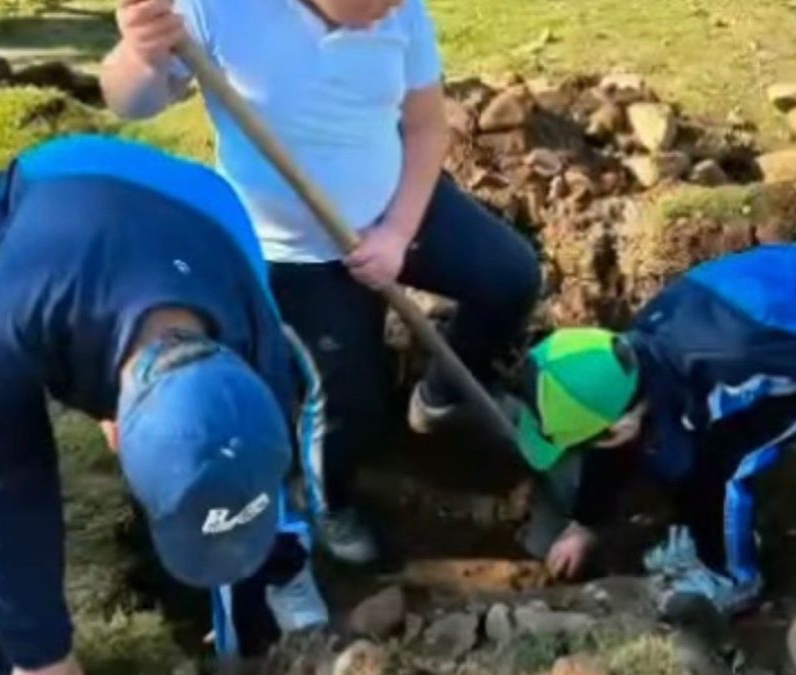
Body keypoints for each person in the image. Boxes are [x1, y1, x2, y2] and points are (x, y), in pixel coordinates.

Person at [100, 0, 544, 566]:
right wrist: (141, 53)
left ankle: (441, 399)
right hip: (298, 254)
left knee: (510, 276)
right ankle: (330, 501)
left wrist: (396, 232)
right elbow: (129, 102)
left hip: (400, 204)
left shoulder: (403, 13)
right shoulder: (219, 10)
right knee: (349, 408)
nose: (390, 13)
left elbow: (427, 126)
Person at [0, 136, 328, 675]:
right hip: (51, 194)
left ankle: (273, 590)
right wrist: (41, 655)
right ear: (118, 434)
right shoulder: (6, 327)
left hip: (196, 211)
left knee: (245, 478)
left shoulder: (260, 347)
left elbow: (253, 479)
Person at [507, 245, 796, 616]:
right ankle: (700, 536)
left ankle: (732, 577)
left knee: (725, 463)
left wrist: (702, 484)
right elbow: (610, 442)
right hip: (787, 287)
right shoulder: (622, 358)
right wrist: (585, 524)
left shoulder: (730, 368)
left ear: (621, 425)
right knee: (679, 450)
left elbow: (711, 459)